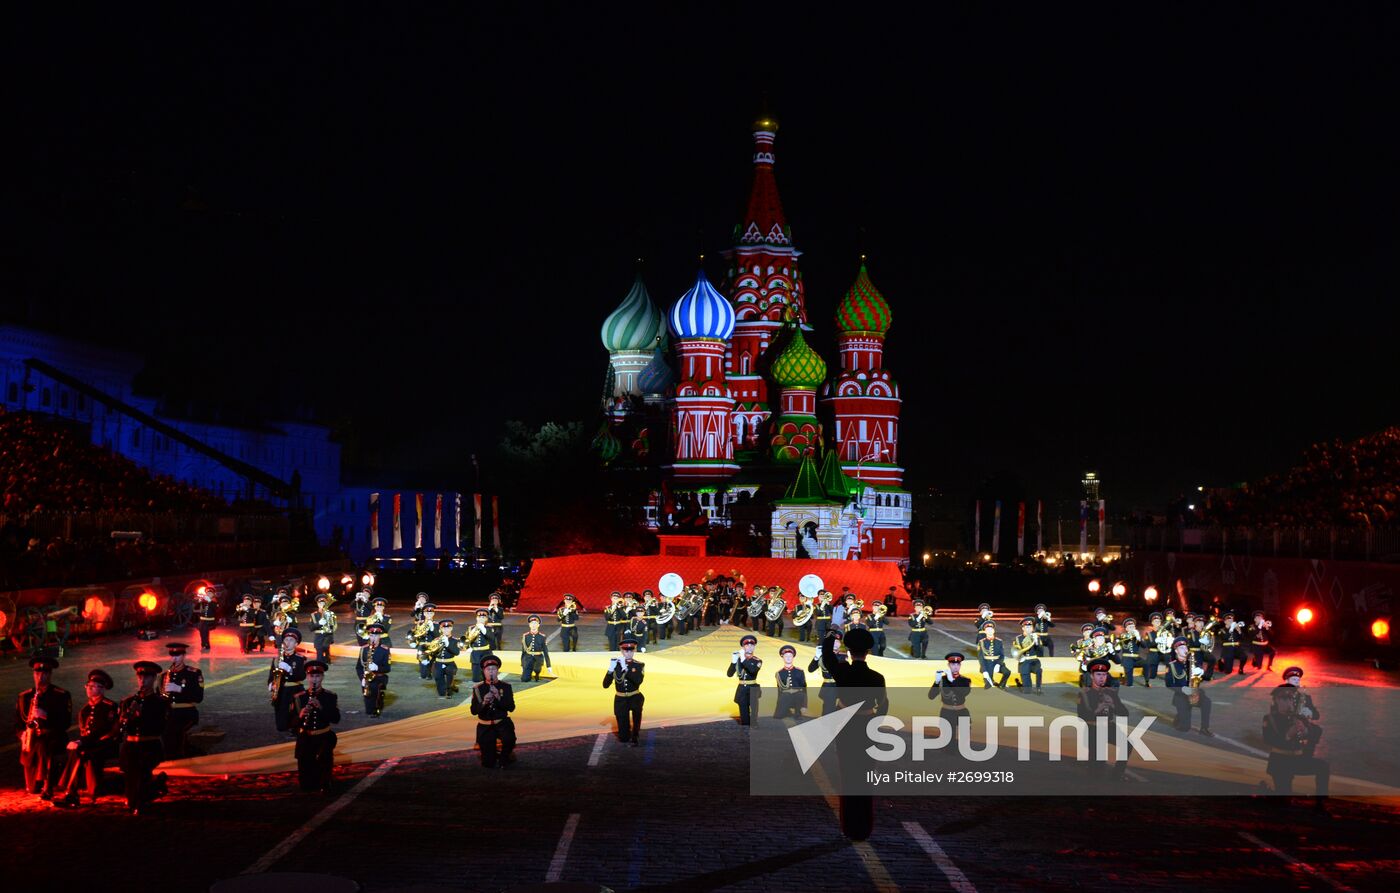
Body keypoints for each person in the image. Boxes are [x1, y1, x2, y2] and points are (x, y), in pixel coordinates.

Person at [820, 626, 887, 842]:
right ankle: (864, 828)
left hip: (846, 727)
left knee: (848, 776)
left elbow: (827, 655)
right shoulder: (877, 677)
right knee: (865, 777)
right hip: (868, 727)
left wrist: (832, 632)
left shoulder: (843, 671)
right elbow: (884, 705)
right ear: (868, 651)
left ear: (848, 651)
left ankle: (849, 827)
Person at [53, 668, 120, 808]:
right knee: (76, 751)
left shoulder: (110, 707)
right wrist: (81, 742)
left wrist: (81, 742)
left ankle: (70, 793)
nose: (88, 689)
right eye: (87, 686)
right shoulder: (85, 710)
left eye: (92, 686)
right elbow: (85, 732)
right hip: (90, 745)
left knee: (81, 751)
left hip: (106, 745)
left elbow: (103, 732)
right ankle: (69, 791)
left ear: (101, 689)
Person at [1263, 677, 1328, 806]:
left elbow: (1317, 731)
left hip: (1298, 760)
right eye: (1284, 699)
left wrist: (1306, 732)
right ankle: (1271, 794)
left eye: (1291, 699)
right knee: (1284, 800)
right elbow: (1268, 739)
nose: (1288, 703)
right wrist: (1287, 735)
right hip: (1280, 762)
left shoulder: (1297, 717)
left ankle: (1321, 803)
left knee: (1323, 767)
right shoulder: (1270, 719)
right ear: (1275, 701)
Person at [15, 655, 72, 799]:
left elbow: (66, 723)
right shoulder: (24, 696)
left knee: (44, 745)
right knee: (32, 789)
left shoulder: (61, 695)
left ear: (50, 674)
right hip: (31, 739)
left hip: (53, 736)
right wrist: (22, 734)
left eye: (44, 673)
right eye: (37, 673)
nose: (40, 677)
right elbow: (17, 723)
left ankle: (48, 784)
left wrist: (46, 715)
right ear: (33, 674)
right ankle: (37, 781)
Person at [117, 661, 171, 815]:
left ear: (154, 678)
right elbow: (120, 729)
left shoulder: (160, 702)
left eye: (147, 677)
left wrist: (141, 715)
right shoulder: (128, 702)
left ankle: (140, 800)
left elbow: (160, 727)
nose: (142, 680)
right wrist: (124, 719)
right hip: (131, 745)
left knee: (142, 774)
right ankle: (149, 791)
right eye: (140, 677)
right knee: (130, 777)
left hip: (149, 745)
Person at [290, 661, 339, 794]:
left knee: (324, 762)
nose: (314, 680)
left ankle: (325, 782)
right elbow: (292, 724)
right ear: (307, 677)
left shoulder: (330, 697)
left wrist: (321, 707)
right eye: (312, 676)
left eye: (317, 676)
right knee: (306, 782)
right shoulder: (299, 698)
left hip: (323, 736)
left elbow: (336, 719)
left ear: (322, 677)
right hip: (305, 737)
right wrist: (300, 716)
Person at [1077, 658, 1130, 777]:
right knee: (1096, 771)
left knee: (1127, 745)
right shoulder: (1085, 693)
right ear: (1091, 676)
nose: (1102, 677)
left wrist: (1114, 705)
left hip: (1109, 727)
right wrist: (1098, 709)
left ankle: (1118, 774)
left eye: (1104, 674)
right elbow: (1081, 716)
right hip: (1093, 729)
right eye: (1098, 674)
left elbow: (1124, 713)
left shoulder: (1111, 692)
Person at [471, 655, 517, 768]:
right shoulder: (478, 688)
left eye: (494, 669)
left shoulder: (505, 687)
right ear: (483, 671)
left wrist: (498, 696)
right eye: (488, 669)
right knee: (488, 763)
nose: (491, 672)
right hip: (485, 726)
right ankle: (492, 754)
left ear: (497, 670)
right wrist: (484, 703)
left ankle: (505, 756)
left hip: (501, 723)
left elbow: (511, 707)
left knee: (509, 740)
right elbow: (473, 711)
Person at [161, 641, 204, 758]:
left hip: (186, 713)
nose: (174, 658)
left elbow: (199, 697)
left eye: (178, 655)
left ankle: (180, 757)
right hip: (170, 713)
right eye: (172, 655)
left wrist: (180, 689)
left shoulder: (193, 673)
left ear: (184, 656)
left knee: (174, 733)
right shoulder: (165, 675)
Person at [1163, 637, 1212, 736]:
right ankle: (1179, 717)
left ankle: (1204, 728)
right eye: (1181, 648)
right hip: (1181, 697)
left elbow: (1205, 677)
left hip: (1194, 692)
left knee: (1207, 702)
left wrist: (1201, 673)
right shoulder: (1172, 666)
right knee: (1184, 728)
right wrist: (1183, 689)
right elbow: (1169, 684)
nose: (1185, 650)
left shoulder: (1193, 662)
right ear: (1176, 650)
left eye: (1186, 648)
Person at [604, 635, 645, 746]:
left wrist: (625, 669)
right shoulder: (616, 665)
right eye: (626, 650)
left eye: (631, 650)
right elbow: (605, 685)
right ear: (621, 651)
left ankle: (636, 734)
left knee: (636, 717)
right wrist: (610, 670)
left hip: (635, 696)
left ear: (634, 650)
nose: (628, 653)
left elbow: (638, 681)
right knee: (623, 737)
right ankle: (626, 733)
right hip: (620, 699)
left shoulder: (639, 665)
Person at [270, 628, 308, 733]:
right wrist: (270, 683)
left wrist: (289, 670)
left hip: (294, 689)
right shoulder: (277, 658)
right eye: (286, 640)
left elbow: (302, 676)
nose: (288, 642)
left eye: (291, 640)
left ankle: (295, 728)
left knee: (295, 712)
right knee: (281, 718)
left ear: (296, 644)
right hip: (281, 690)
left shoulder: (300, 659)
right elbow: (271, 673)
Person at [928, 652, 972, 743]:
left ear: (960, 665)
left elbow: (964, 692)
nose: (955, 667)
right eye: (953, 664)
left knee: (965, 739)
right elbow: (931, 696)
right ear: (948, 665)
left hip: (962, 711)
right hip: (947, 712)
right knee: (948, 740)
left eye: (957, 664)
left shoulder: (965, 680)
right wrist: (936, 682)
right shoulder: (942, 680)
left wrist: (952, 681)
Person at [727, 633, 764, 727]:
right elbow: (729, 674)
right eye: (747, 645)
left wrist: (743, 658)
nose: (749, 647)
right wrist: (733, 662)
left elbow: (752, 670)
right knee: (743, 714)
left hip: (752, 688)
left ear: (754, 647)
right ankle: (744, 731)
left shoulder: (757, 660)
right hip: (742, 689)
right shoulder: (739, 660)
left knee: (754, 711)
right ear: (743, 647)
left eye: (752, 645)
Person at [809, 630, 848, 716]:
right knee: (828, 708)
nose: (834, 643)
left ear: (839, 643)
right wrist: (816, 657)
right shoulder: (821, 655)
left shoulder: (843, 656)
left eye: (837, 641)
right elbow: (810, 669)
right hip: (829, 686)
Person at [358, 623, 392, 718]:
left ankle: (376, 707)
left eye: (376, 636)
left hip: (379, 677)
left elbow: (387, 668)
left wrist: (377, 668)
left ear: (380, 636)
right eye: (372, 635)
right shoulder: (364, 649)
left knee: (374, 689)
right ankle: (371, 708)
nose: (373, 638)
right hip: (366, 677)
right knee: (367, 700)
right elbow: (359, 667)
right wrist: (362, 678)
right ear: (369, 635)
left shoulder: (385, 650)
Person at [773, 644, 808, 718]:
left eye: (790, 656)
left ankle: (798, 712)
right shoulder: (779, 673)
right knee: (778, 717)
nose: (788, 658)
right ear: (783, 657)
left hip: (797, 698)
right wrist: (779, 706)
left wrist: (805, 705)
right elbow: (780, 691)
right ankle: (786, 710)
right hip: (785, 698)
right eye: (786, 656)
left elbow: (804, 689)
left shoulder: (800, 671)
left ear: (793, 657)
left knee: (800, 694)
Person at [431, 619, 462, 698]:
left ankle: (450, 687)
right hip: (438, 662)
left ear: (451, 628)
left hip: (450, 663)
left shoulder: (455, 640)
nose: (446, 630)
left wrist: (448, 644)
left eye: (448, 628)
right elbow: (432, 653)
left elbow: (456, 652)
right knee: (438, 679)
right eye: (444, 628)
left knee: (449, 678)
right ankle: (449, 688)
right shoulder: (436, 640)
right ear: (441, 629)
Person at [1013, 617, 1044, 694]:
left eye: (1030, 627)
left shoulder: (1036, 637)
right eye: (1026, 627)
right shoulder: (1018, 638)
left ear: (1033, 628)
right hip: (1024, 662)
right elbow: (1016, 652)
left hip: (1034, 662)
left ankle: (1038, 688)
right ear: (1023, 628)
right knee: (1027, 691)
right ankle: (1022, 685)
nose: (1029, 629)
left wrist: (1037, 642)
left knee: (1039, 670)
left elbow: (1041, 653)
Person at [411, 603, 442, 680]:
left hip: (432, 646)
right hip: (422, 646)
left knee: (432, 662)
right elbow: (416, 634)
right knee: (422, 665)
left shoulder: (437, 624)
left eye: (431, 613)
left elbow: (438, 636)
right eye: (427, 613)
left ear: (433, 613)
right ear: (424, 613)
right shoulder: (420, 623)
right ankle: (424, 674)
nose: (429, 614)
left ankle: (430, 673)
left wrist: (432, 628)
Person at [976, 621, 1010, 689]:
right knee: (988, 686)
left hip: (997, 663)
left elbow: (1002, 655)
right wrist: (984, 670)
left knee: (1007, 672)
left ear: (994, 630)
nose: (989, 631)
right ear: (985, 631)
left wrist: (998, 664)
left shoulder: (999, 641)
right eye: (987, 630)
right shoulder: (981, 642)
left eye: (991, 629)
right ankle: (990, 681)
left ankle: (1001, 685)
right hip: (987, 664)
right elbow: (981, 658)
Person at [465, 609, 495, 684]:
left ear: (486, 619)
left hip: (486, 653)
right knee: (476, 679)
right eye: (479, 617)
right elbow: (467, 639)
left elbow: (491, 638)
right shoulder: (471, 628)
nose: (481, 619)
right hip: (475, 654)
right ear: (476, 618)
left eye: (483, 617)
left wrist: (482, 628)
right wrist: (468, 647)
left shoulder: (489, 628)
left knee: (488, 678)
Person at [520, 615, 552, 681]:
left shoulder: (542, 637)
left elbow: (546, 652)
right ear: (529, 625)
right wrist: (522, 664)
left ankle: (537, 673)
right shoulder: (525, 636)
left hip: (538, 659)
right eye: (532, 623)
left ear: (538, 625)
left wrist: (549, 666)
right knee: (524, 679)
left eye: (535, 623)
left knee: (536, 669)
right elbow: (523, 652)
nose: (533, 625)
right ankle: (529, 672)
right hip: (528, 658)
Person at [1116, 618, 1145, 687]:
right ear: (1126, 629)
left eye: (1133, 627)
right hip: (1127, 659)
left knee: (1146, 663)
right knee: (1129, 676)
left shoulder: (1137, 636)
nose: (1132, 628)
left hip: (1135, 658)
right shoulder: (1122, 637)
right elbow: (1117, 650)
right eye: (1130, 627)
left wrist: (1138, 637)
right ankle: (1128, 685)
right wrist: (1117, 645)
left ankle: (1146, 681)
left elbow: (1144, 646)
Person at [311, 594, 337, 666]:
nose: (322, 604)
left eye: (324, 603)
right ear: (317, 604)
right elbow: (311, 628)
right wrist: (319, 624)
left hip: (327, 636)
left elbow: (333, 626)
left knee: (325, 648)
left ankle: (327, 659)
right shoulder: (314, 615)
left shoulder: (330, 614)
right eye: (320, 603)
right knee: (319, 656)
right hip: (318, 637)